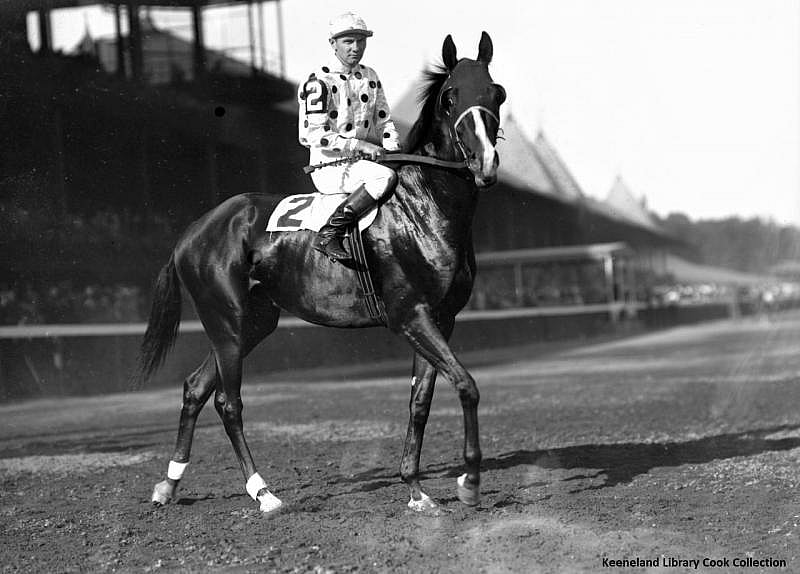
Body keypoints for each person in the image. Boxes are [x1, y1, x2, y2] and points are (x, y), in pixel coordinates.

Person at [298, 12, 401, 262]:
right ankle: (329, 234)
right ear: (333, 44)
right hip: (330, 167)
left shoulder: (370, 76)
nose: (356, 48)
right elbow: (314, 135)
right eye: (348, 42)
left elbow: (384, 120)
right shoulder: (318, 82)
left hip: (362, 164)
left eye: (361, 41)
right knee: (384, 177)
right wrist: (360, 145)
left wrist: (394, 148)